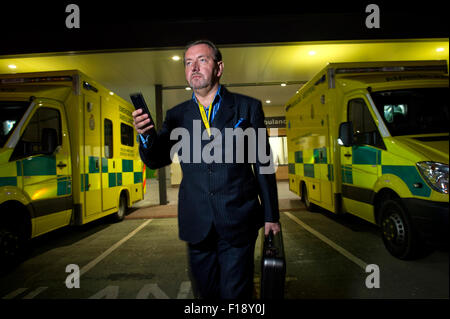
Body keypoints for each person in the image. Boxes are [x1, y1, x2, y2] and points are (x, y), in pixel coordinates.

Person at [132, 39, 280, 299]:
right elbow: (156, 159)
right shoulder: (177, 115)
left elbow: (263, 164)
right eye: (188, 62)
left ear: (219, 67)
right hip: (196, 223)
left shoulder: (247, 108)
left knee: (236, 295)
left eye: (202, 60)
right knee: (205, 294)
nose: (194, 67)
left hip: (238, 219)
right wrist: (145, 135)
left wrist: (271, 216)